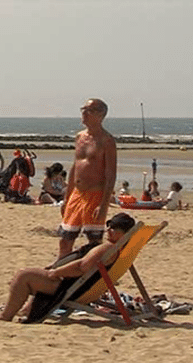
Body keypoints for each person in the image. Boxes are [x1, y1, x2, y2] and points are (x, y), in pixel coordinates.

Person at [0, 213, 135, 322]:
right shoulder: (119, 249)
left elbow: (82, 267)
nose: (109, 230)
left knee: (24, 276)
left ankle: (5, 316)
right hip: (79, 287)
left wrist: (56, 272)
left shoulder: (108, 248)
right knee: (30, 275)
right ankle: (24, 310)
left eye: (115, 228)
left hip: (71, 288)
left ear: (126, 234)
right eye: (109, 226)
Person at [57, 98, 117, 260]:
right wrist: (66, 198)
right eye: (82, 109)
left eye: (88, 110)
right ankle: (61, 272)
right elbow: (74, 168)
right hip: (77, 194)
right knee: (65, 239)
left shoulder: (107, 140)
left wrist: (103, 204)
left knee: (94, 241)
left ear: (100, 115)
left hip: (95, 195)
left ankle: (94, 275)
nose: (83, 113)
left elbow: (110, 175)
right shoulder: (79, 137)